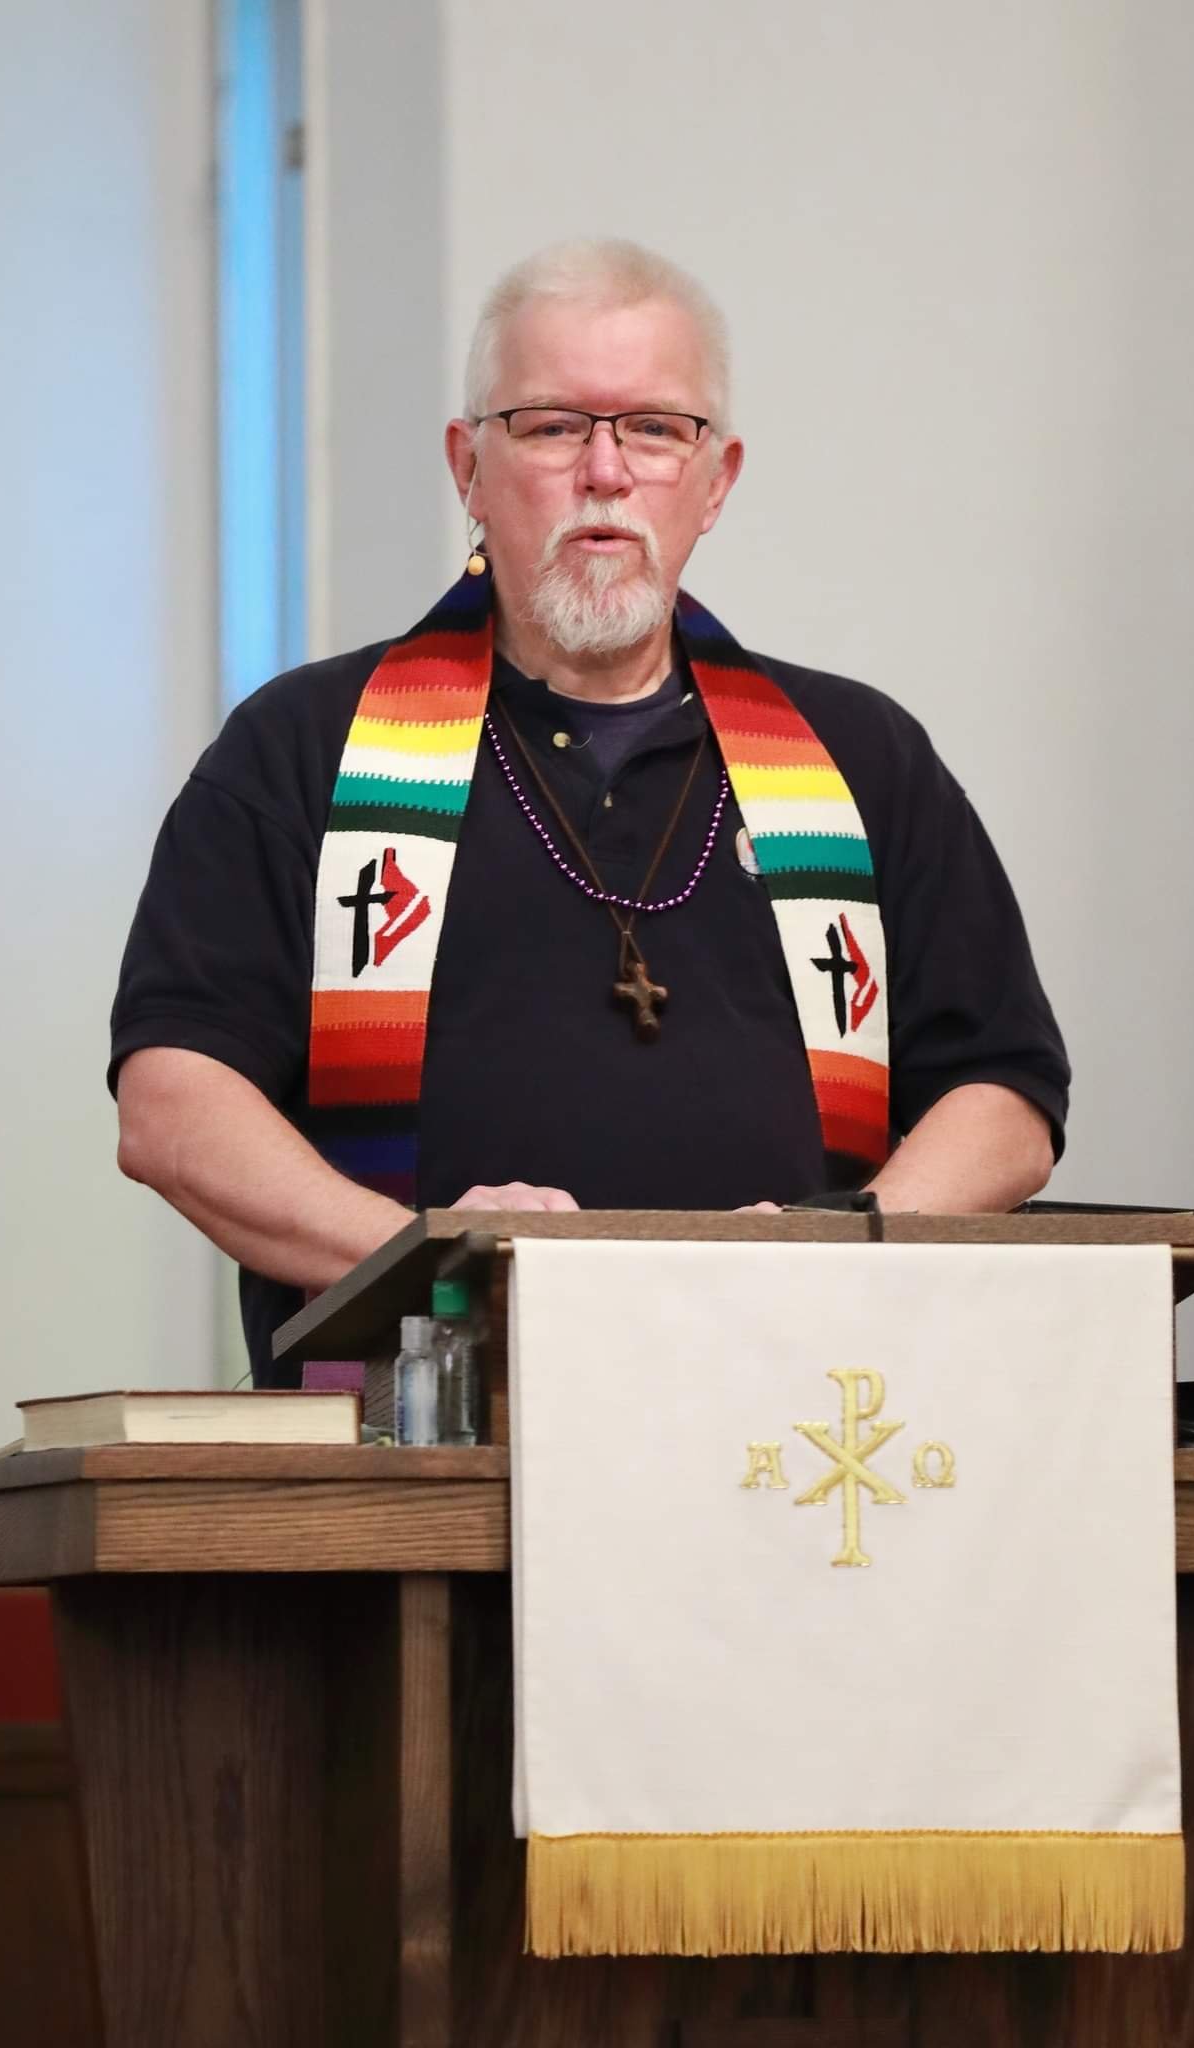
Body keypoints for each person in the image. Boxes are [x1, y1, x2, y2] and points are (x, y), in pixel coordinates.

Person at [110, 239, 1070, 1384]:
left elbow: (1005, 1094)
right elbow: (172, 1104)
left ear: (717, 481)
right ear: (468, 465)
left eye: (656, 429)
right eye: (555, 424)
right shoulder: (304, 747)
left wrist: (839, 1241)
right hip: (427, 1430)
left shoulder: (861, 758)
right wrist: (439, 1268)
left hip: (793, 1407)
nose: (606, 471)